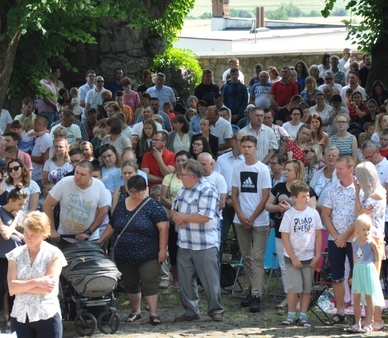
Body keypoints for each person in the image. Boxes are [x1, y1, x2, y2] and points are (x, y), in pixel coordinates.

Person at [98, 175, 168, 325]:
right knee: (130, 282)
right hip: (124, 253)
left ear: (145, 190)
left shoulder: (152, 205)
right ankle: (136, 311)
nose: (135, 195)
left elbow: (163, 227)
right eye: (132, 192)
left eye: (138, 192)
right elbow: (112, 224)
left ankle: (154, 313)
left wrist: (162, 249)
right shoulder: (122, 205)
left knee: (150, 281)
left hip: (148, 252)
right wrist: (102, 239)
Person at [170, 158, 224, 322]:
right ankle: (191, 311)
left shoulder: (208, 190)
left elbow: (204, 216)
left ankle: (216, 309)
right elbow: (173, 210)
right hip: (185, 242)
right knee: (185, 280)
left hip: (204, 243)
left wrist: (182, 217)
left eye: (183, 174)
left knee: (209, 278)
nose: (180, 177)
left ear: (192, 176)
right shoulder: (182, 190)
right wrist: (176, 218)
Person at [7, 211, 67, 338]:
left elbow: (47, 288)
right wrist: (37, 282)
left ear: (44, 235)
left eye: (32, 234)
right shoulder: (15, 254)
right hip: (20, 315)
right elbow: (12, 288)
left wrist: (22, 286)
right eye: (25, 233)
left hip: (46, 314)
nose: (27, 237)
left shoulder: (53, 254)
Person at [231, 135, 271, 313]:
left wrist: (253, 217)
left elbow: (265, 197)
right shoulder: (237, 167)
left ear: (256, 148)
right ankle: (251, 289)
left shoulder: (262, 169)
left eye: (249, 146)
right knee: (246, 257)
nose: (246, 149)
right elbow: (234, 195)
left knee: (257, 258)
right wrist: (240, 215)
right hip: (240, 219)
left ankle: (257, 294)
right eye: (244, 146)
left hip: (259, 220)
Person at [279, 180, 322, 328]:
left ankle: (303, 315)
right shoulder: (289, 215)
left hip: (308, 257)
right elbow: (285, 237)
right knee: (293, 288)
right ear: (295, 198)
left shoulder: (314, 213)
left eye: (308, 195)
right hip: (292, 258)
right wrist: (293, 257)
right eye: (303, 196)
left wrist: (318, 254)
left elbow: (318, 235)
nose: (307, 199)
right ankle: (291, 314)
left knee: (306, 288)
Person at [320, 156, 357, 325]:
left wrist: (345, 236)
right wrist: (336, 236)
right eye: (337, 168)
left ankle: (359, 312)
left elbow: (361, 217)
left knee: (358, 276)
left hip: (355, 238)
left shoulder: (359, 189)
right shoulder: (333, 190)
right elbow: (325, 214)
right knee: (337, 276)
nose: (337, 171)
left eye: (341, 168)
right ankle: (340, 311)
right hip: (335, 239)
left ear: (350, 169)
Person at [43, 162, 110, 243]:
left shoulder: (99, 186)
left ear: (91, 175)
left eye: (82, 174)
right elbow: (47, 204)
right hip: (64, 237)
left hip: (89, 238)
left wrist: (88, 232)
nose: (78, 177)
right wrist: (52, 229)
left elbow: (103, 212)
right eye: (76, 172)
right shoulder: (65, 182)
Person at [0, 185, 28, 326]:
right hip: (3, 254)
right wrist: (15, 219)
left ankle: (13, 320)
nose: (21, 207)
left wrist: (14, 229)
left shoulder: (17, 213)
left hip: (18, 253)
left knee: (15, 288)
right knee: (3, 287)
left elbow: (21, 236)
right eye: (20, 204)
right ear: (11, 200)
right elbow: (5, 235)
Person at [348, 214, 385, 333]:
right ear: (357, 229)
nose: (366, 232)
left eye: (368, 229)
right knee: (357, 296)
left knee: (369, 297)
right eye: (363, 229)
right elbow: (354, 257)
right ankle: (357, 322)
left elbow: (378, 257)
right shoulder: (354, 241)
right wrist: (353, 273)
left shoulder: (371, 242)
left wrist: (376, 272)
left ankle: (369, 323)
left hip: (368, 270)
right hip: (358, 269)